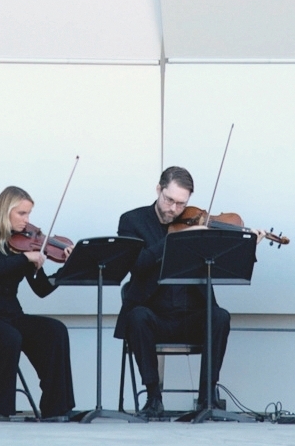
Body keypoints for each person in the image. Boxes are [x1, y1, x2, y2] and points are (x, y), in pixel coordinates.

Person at [113, 166, 266, 419]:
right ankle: (153, 398)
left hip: (190, 316)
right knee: (137, 316)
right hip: (153, 315)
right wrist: (177, 239)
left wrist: (246, 245)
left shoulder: (199, 224)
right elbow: (138, 265)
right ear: (158, 189)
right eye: (169, 200)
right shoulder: (132, 221)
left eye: (181, 204)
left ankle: (207, 398)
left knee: (220, 316)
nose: (173, 209)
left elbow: (223, 264)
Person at [0, 186, 76, 421]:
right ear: (5, 210)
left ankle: (57, 408)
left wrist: (67, 268)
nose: (27, 221)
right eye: (21, 214)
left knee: (55, 331)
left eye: (29, 214)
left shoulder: (25, 244)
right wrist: (23, 259)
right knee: (9, 337)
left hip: (10, 316)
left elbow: (41, 290)